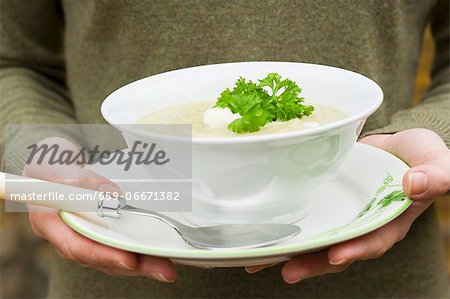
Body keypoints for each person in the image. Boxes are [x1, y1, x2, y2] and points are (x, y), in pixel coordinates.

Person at [1, 1, 449, 298]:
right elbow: (11, 60)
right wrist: (38, 150)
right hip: (115, 277)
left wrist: (434, 131)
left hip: (385, 279)